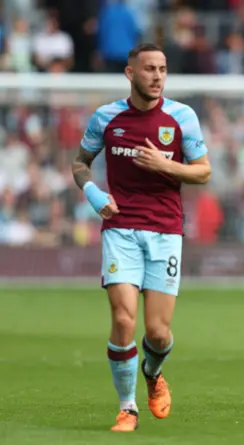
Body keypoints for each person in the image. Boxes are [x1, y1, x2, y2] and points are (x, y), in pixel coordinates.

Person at [71, 43, 210, 432]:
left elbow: (203, 172)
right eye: (149, 69)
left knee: (158, 333)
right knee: (121, 318)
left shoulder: (182, 117)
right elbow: (80, 162)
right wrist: (94, 195)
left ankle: (152, 371)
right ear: (131, 73)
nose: (157, 76)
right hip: (121, 230)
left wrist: (167, 165)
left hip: (166, 232)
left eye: (162, 69)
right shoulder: (107, 117)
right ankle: (127, 407)